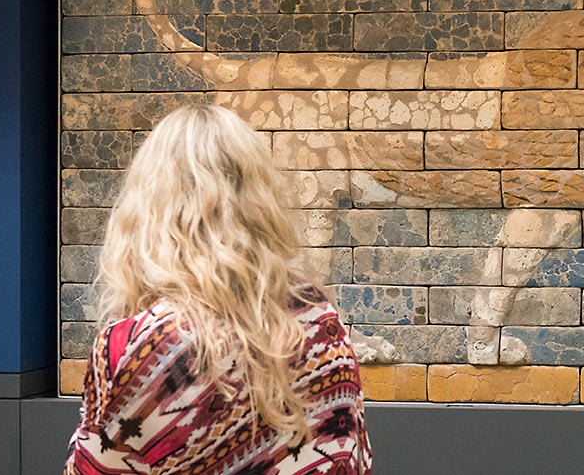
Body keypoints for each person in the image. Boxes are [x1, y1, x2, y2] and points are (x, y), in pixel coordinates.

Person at [64, 104, 372, 475]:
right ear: (261, 200)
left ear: (147, 208)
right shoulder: (319, 316)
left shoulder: (135, 346)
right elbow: (352, 459)